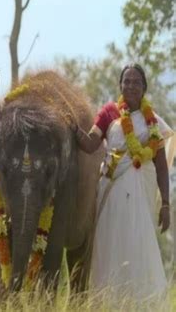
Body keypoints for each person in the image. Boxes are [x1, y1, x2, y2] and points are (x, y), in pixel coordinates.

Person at [75, 63, 174, 302]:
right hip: (112, 191)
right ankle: (107, 301)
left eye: (136, 82)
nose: (130, 86)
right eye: (126, 81)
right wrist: (71, 128)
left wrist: (166, 205)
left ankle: (140, 302)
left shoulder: (154, 123)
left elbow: (161, 167)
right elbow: (90, 144)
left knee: (138, 243)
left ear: (144, 88)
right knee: (109, 243)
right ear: (120, 85)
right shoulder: (109, 113)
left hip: (141, 195)